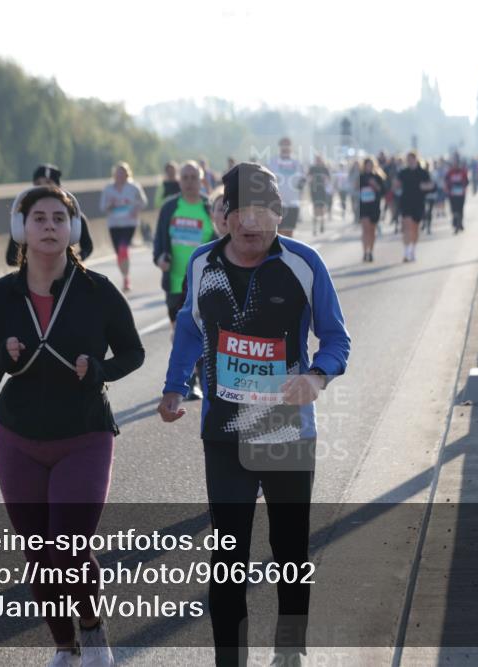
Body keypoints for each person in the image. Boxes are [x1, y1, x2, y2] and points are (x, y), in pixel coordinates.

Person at [158, 162, 350, 667]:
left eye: (263, 212)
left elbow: (335, 337)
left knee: (289, 551)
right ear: (224, 214)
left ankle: (290, 651)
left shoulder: (304, 263)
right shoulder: (202, 263)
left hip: (283, 427)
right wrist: (175, 387)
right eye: (241, 211)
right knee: (227, 559)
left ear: (279, 215)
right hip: (223, 431)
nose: (251, 224)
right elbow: (188, 327)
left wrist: (316, 376)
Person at [0, 185, 144, 667]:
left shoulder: (97, 291)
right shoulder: (0, 296)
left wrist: (101, 370)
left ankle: (93, 632)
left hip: (84, 436)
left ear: (74, 229)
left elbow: (133, 351)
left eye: (58, 219)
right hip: (18, 439)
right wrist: (1, 360)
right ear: (22, 229)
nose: (49, 226)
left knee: (69, 548)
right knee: (40, 557)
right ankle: (65, 646)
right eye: (38, 218)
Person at [152, 161, 216, 400]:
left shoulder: (209, 207)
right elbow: (159, 241)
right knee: (179, 331)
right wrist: (160, 259)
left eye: (194, 177)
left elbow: (219, 238)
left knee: (202, 331)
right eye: (185, 177)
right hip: (175, 282)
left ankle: (195, 378)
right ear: (179, 181)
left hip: (203, 282)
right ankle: (188, 377)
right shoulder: (170, 207)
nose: (189, 182)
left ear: (201, 181)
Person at [6, 164, 94, 267]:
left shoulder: (73, 216)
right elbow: (10, 258)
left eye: (58, 219)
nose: (43, 187)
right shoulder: (24, 217)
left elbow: (87, 246)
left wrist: (77, 260)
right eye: (39, 219)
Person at [99, 162, 148, 292]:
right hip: (114, 224)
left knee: (123, 249)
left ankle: (126, 279)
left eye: (123, 173)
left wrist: (136, 208)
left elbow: (143, 201)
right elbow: (102, 207)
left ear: (128, 174)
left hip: (129, 223)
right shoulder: (108, 189)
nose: (120, 176)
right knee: (119, 253)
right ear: (114, 175)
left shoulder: (133, 187)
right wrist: (109, 205)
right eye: (118, 174)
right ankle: (125, 275)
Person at [394, 151, 433, 262]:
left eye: (412, 159)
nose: (410, 161)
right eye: (409, 159)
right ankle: (406, 251)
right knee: (407, 226)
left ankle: (413, 249)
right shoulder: (403, 172)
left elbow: (431, 185)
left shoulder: (423, 172)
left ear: (416, 159)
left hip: (418, 202)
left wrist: (424, 186)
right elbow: (396, 184)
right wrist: (396, 188)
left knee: (415, 228)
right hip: (406, 202)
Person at [266, 137, 305, 238]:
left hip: (293, 201)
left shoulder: (297, 162)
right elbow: (266, 179)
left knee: (290, 231)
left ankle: (286, 252)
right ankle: (280, 252)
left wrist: (299, 187)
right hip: (278, 202)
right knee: (280, 231)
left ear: (291, 147)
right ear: (280, 147)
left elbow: (303, 179)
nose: (285, 147)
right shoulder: (273, 161)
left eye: (287, 145)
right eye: (283, 145)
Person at [358, 157, 386, 263]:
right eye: (367, 165)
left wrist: (375, 185)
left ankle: (371, 251)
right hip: (363, 206)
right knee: (365, 229)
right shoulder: (360, 177)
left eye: (371, 165)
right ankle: (365, 252)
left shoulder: (378, 177)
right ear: (364, 166)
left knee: (372, 230)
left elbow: (383, 191)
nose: (369, 167)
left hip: (374, 206)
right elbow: (355, 189)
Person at [445, 153, 470, 233]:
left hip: (461, 193)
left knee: (460, 209)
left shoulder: (463, 172)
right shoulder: (450, 172)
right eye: (454, 164)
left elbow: (467, 181)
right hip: (452, 194)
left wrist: (462, 186)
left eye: (456, 163)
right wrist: (449, 188)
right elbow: (446, 181)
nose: (455, 165)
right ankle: (455, 222)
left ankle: (460, 223)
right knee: (454, 209)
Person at [307, 155, 330, 235]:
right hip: (314, 191)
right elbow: (308, 179)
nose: (318, 161)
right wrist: (311, 178)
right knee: (315, 209)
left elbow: (328, 179)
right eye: (317, 160)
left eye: (319, 159)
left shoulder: (325, 169)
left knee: (322, 208)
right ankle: (314, 227)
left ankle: (322, 224)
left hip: (322, 191)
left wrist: (325, 179)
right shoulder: (312, 168)